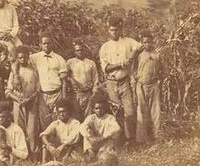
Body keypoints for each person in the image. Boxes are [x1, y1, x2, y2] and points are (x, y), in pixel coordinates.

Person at [99, 16, 143, 148]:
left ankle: (131, 140)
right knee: (116, 112)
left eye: (117, 29)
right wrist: (121, 63)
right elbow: (106, 68)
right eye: (112, 30)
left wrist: (133, 54)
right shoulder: (105, 47)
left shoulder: (128, 42)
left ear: (121, 29)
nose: (114, 32)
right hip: (111, 83)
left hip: (125, 82)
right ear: (108, 30)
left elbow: (140, 47)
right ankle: (119, 141)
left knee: (129, 112)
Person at [5, 45, 40, 162]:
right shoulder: (14, 72)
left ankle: (34, 156)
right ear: (17, 58)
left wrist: (29, 99)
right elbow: (8, 92)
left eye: (24, 58)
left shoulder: (34, 71)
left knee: (31, 131)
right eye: (20, 58)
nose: (22, 60)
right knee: (19, 130)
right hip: (18, 104)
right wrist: (18, 99)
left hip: (30, 104)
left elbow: (37, 90)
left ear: (28, 57)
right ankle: (21, 156)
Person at [30, 31, 68, 131]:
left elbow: (64, 81)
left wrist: (64, 98)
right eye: (44, 43)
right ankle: (46, 145)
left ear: (52, 44)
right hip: (43, 95)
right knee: (44, 122)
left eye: (49, 43)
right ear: (40, 45)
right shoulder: (34, 58)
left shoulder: (59, 59)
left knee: (58, 122)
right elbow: (17, 59)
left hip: (57, 94)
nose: (47, 45)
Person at [135, 30, 165, 144]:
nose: (148, 44)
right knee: (142, 112)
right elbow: (132, 69)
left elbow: (164, 70)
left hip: (154, 86)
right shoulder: (139, 55)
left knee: (156, 111)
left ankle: (157, 137)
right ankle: (142, 139)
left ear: (153, 42)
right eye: (145, 42)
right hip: (141, 86)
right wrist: (136, 81)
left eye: (150, 42)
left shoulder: (157, 55)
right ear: (142, 43)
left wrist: (158, 78)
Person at [80, 94, 121, 164]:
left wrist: (104, 137)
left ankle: (102, 153)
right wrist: (90, 137)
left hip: (104, 141)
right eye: (97, 108)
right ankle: (90, 153)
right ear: (93, 109)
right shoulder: (91, 118)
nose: (99, 110)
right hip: (94, 141)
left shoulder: (109, 118)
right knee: (86, 133)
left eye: (101, 108)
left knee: (111, 137)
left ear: (104, 109)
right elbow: (82, 127)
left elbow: (117, 128)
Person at [40, 99, 81, 164]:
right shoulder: (56, 123)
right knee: (45, 144)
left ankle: (63, 161)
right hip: (58, 149)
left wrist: (63, 146)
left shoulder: (75, 123)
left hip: (70, 149)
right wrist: (49, 146)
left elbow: (73, 139)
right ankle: (44, 163)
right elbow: (44, 134)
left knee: (72, 149)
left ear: (69, 112)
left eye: (64, 112)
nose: (61, 114)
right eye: (60, 112)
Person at [67, 38, 99, 121]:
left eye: (81, 50)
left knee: (88, 118)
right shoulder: (70, 62)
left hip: (88, 93)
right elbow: (65, 76)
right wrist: (71, 80)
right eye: (77, 50)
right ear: (74, 52)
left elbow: (96, 79)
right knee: (76, 118)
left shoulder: (91, 63)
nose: (80, 52)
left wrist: (94, 93)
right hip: (76, 94)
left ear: (84, 50)